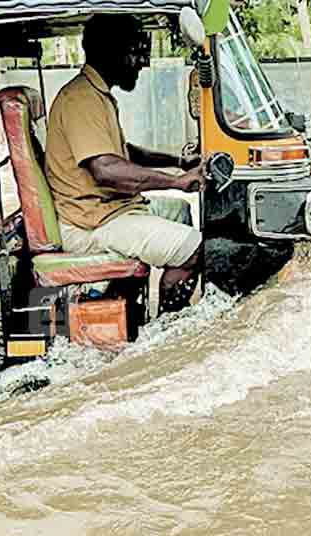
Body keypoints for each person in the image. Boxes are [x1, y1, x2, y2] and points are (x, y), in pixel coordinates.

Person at [45, 14, 207, 313]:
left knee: (179, 210)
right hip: (91, 222)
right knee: (194, 249)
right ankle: (166, 330)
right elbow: (106, 170)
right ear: (111, 52)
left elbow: (124, 152)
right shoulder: (80, 99)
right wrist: (175, 182)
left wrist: (179, 162)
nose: (142, 62)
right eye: (136, 52)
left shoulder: (96, 94)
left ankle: (133, 301)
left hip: (107, 209)